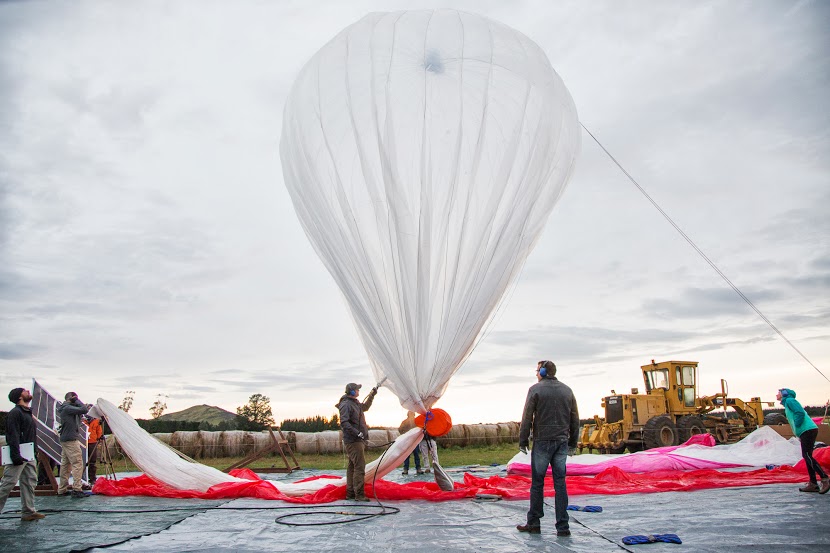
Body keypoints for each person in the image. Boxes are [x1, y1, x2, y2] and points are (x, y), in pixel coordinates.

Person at [517, 360, 579, 537]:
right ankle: (563, 526)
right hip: (561, 442)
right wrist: (573, 443)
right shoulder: (567, 390)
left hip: (542, 442)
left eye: (537, 370)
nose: (536, 374)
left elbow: (527, 417)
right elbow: (575, 419)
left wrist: (523, 441)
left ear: (543, 372)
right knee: (560, 483)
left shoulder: (535, 390)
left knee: (537, 483)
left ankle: (534, 522)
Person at [0, 387, 45, 521]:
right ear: (19, 396)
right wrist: (15, 455)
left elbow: (30, 435)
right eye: (25, 390)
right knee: (8, 483)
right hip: (19, 454)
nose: (28, 392)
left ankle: (28, 511)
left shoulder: (27, 413)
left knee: (29, 482)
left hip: (29, 453)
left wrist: (34, 452)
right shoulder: (15, 413)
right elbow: (12, 435)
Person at [777, 388, 829, 494]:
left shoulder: (790, 401)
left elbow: (799, 412)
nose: (776, 395)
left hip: (807, 430)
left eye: (778, 393)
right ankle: (813, 483)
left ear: (784, 394)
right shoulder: (788, 403)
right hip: (805, 431)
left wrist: (797, 425)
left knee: (807, 456)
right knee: (807, 456)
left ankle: (824, 478)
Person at [337, 382, 377, 501]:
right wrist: (357, 432)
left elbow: (365, 407)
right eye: (357, 390)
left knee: (352, 466)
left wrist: (372, 395)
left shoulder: (355, 404)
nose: (359, 392)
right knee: (359, 467)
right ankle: (359, 495)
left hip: (357, 439)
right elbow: (344, 422)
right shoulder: (346, 405)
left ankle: (350, 494)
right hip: (353, 440)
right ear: (352, 392)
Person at [57, 391, 92, 498]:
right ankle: (77, 488)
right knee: (77, 463)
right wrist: (77, 400)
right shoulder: (68, 408)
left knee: (66, 465)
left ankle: (62, 489)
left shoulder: (65, 408)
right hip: (71, 439)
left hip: (65, 438)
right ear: (71, 398)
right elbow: (85, 410)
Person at [85, 414, 104, 485]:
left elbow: (99, 431)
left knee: (92, 461)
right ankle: (83, 478)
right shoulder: (82, 421)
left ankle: (92, 478)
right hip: (84, 442)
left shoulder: (96, 421)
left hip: (93, 442)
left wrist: (99, 438)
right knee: (83, 460)